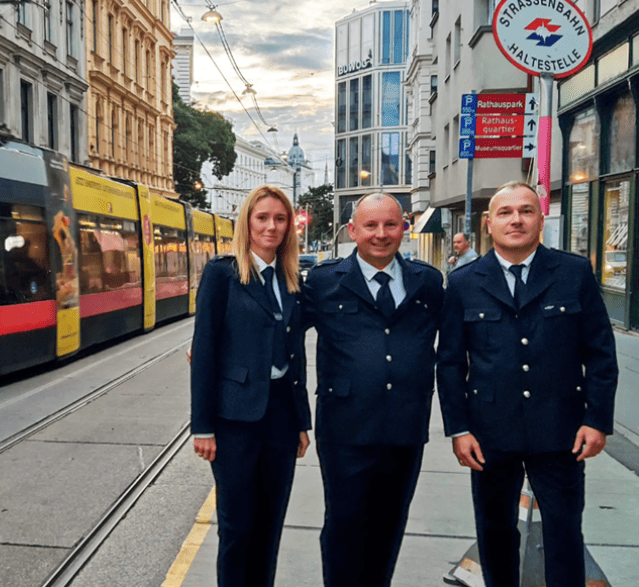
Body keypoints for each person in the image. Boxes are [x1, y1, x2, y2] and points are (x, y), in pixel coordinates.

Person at [437, 182, 618, 587]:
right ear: (488, 223)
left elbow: (601, 353)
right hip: (489, 434)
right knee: (495, 531)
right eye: (505, 212)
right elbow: (449, 363)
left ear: (540, 219)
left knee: (564, 532)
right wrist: (459, 429)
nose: (515, 220)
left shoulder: (573, 273)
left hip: (560, 431)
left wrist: (597, 420)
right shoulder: (465, 282)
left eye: (526, 211)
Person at [303, 192, 444, 587]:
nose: (381, 234)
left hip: (405, 428)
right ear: (353, 231)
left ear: (404, 227)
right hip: (345, 430)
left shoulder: (429, 282)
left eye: (390, 225)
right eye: (370, 225)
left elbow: (458, 348)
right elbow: (277, 329)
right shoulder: (323, 281)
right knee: (344, 528)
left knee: (389, 527)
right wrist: (217, 340)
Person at [190, 185, 312, 587]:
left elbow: (296, 356)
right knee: (238, 527)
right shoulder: (222, 274)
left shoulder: (292, 279)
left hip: (279, 416)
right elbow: (203, 352)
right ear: (247, 222)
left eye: (280, 219)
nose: (271, 226)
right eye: (262, 218)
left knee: (270, 525)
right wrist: (202, 426)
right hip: (234, 420)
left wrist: (300, 421)